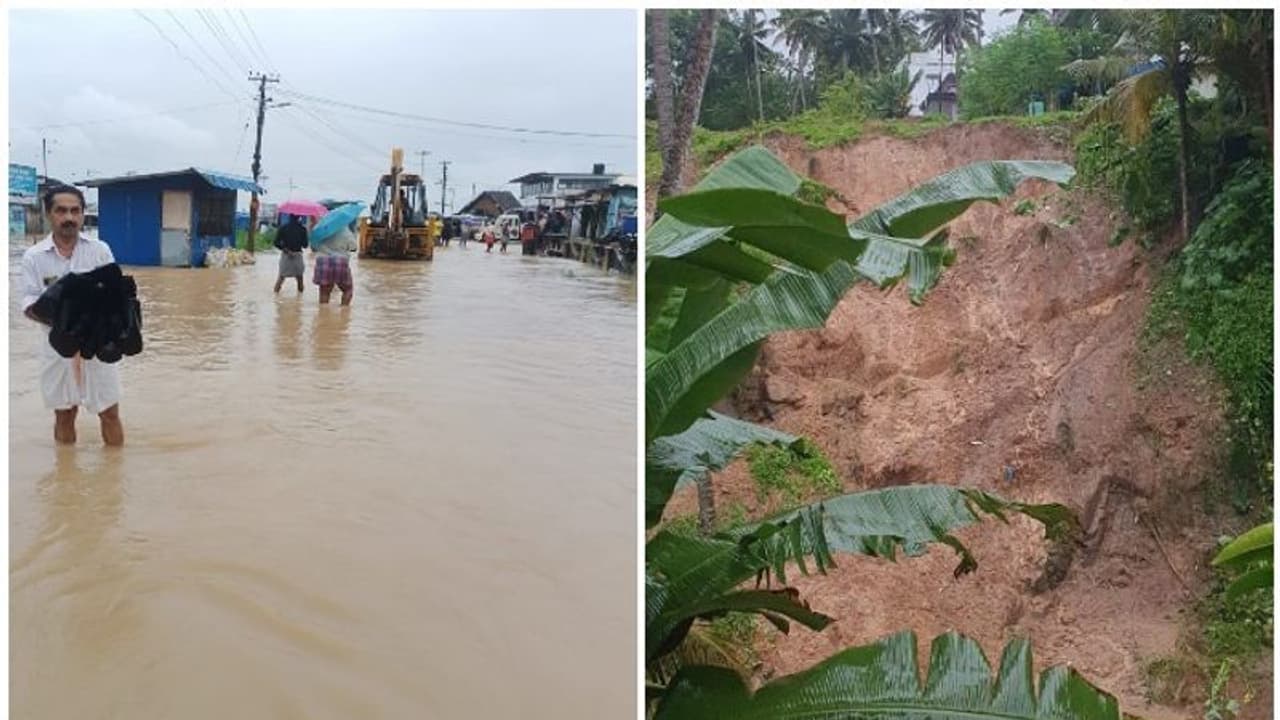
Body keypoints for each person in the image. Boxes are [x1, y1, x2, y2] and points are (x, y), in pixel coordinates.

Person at [20, 185, 124, 446]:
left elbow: (115, 294)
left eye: (75, 211)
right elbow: (29, 302)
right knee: (65, 413)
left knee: (109, 412)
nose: (69, 217)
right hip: (57, 346)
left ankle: (114, 480)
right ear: (48, 214)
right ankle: (66, 474)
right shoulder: (34, 257)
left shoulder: (99, 250)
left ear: (82, 215)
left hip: (97, 344)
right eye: (61, 211)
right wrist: (65, 323)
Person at [313, 224, 357, 306]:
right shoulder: (345, 230)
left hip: (323, 261)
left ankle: (323, 315)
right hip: (340, 261)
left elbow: (313, 246)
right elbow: (354, 247)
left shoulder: (321, 229)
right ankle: (343, 314)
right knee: (348, 290)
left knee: (324, 292)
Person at [273, 214, 309, 293]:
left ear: (289, 217)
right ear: (299, 217)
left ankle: (275, 295)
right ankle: (300, 299)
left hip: (286, 255)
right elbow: (305, 245)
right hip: (298, 255)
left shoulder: (283, 228)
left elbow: (276, 243)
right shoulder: (302, 229)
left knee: (281, 277)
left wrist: (286, 249)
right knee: (300, 279)